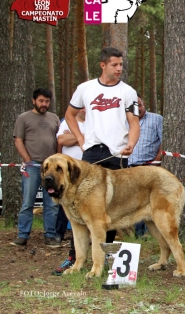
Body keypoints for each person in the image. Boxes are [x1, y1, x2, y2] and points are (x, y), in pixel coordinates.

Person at [64, 46, 139, 248]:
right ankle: (74, 255)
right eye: (114, 65)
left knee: (111, 206)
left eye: (121, 64)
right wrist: (80, 138)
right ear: (103, 65)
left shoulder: (128, 91)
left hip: (117, 154)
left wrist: (131, 143)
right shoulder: (85, 88)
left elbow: (134, 123)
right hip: (91, 153)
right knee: (80, 202)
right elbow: (69, 114)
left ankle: (104, 254)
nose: (119, 68)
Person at [11, 88, 61, 248]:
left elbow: (59, 140)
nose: (44, 104)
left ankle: (50, 236)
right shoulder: (24, 118)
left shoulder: (54, 118)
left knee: (52, 203)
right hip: (32, 167)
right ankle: (23, 235)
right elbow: (18, 140)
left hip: (51, 169)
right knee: (28, 202)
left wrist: (58, 159)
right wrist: (28, 160)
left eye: (47, 101)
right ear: (34, 101)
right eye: (41, 101)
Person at [52, 108, 86, 274]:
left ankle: (102, 259)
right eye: (82, 106)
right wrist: (81, 137)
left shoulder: (95, 122)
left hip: (88, 176)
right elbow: (62, 139)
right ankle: (73, 257)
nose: (84, 109)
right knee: (73, 217)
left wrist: (73, 137)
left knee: (94, 218)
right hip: (68, 178)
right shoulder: (67, 121)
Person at [128, 94, 163, 238]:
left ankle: (150, 234)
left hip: (150, 168)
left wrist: (156, 160)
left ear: (144, 104)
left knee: (150, 201)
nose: (138, 109)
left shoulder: (157, 119)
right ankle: (138, 234)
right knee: (135, 202)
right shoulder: (125, 121)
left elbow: (164, 143)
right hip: (129, 169)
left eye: (140, 105)